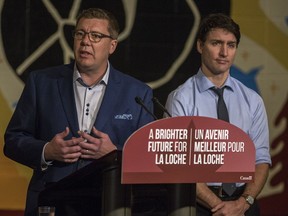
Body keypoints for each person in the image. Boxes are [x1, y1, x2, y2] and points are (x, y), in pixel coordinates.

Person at [4, 8, 154, 216]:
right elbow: (13, 140)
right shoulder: (41, 82)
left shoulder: (137, 93)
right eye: (80, 33)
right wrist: (47, 150)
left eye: (96, 36)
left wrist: (114, 154)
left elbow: (149, 155)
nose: (85, 41)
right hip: (51, 202)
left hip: (110, 203)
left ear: (112, 45)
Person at [165, 13, 271, 216]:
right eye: (216, 43)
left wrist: (243, 203)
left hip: (244, 205)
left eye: (231, 45)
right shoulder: (181, 98)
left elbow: (261, 159)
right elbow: (179, 165)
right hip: (199, 206)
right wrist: (220, 207)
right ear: (199, 46)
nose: (224, 52)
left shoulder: (253, 100)